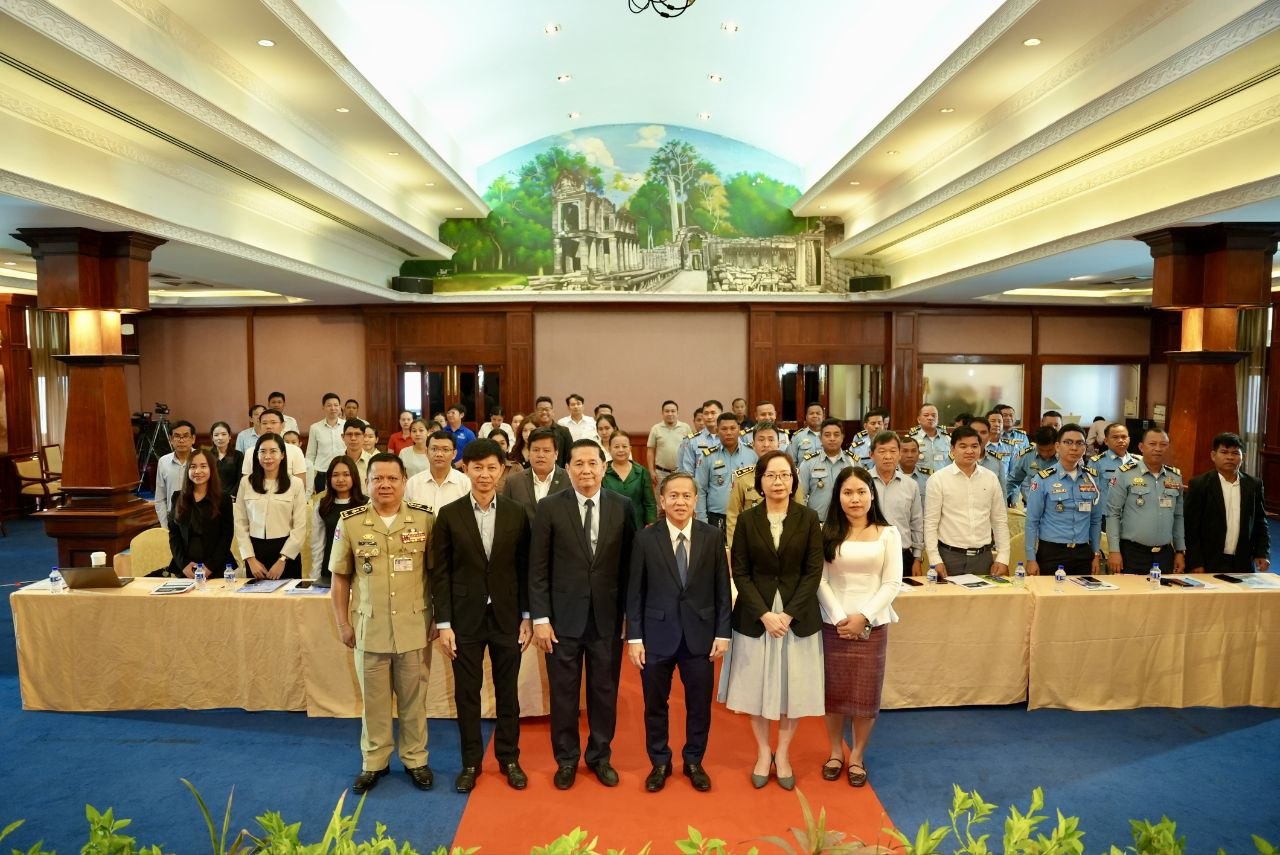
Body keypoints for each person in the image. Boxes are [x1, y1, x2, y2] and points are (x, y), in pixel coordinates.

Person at [529, 439, 637, 790]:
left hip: (607, 618)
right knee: (564, 693)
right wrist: (541, 618)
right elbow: (538, 568)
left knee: (604, 691)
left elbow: (630, 567)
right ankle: (566, 759)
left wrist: (630, 616)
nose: (586, 470)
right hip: (562, 620)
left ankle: (600, 756)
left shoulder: (623, 506)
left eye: (593, 463)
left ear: (604, 467)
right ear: (567, 468)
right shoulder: (549, 507)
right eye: (579, 464)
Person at [329, 453, 435, 794]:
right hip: (369, 628)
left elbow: (437, 574)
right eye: (378, 478)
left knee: (413, 702)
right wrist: (343, 624)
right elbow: (340, 578)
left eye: (392, 478)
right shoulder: (350, 522)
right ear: (367, 482)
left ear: (404, 481)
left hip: (414, 627)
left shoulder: (424, 520)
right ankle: (374, 762)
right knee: (373, 703)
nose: (385, 485)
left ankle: (416, 759)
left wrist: (438, 618)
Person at [432, 439, 533, 793]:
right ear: (466, 469)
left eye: (492, 467)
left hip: (508, 616)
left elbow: (524, 568)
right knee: (467, 694)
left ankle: (509, 758)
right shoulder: (449, 514)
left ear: (502, 469)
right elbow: (440, 573)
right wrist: (443, 624)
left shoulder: (517, 513)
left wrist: (526, 615)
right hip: (464, 620)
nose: (485, 475)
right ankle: (471, 762)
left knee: (508, 692)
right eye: (478, 468)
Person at [721, 450, 825, 791]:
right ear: (759, 482)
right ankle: (763, 752)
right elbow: (740, 572)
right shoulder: (747, 520)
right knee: (757, 688)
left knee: (792, 689)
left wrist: (788, 614)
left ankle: (783, 753)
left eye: (784, 475)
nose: (778, 481)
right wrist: (765, 614)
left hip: (797, 616)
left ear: (793, 481)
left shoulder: (808, 518)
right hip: (757, 616)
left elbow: (813, 572)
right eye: (771, 475)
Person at [626, 471, 731, 793]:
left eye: (687, 496)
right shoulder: (646, 538)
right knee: (655, 704)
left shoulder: (712, 536)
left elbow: (722, 589)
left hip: (700, 636)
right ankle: (659, 761)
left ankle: (694, 760)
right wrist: (634, 638)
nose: (680, 501)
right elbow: (635, 592)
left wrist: (723, 633)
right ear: (662, 500)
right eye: (673, 495)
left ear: (696, 500)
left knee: (699, 705)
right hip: (656, 637)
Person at [817, 466, 902, 788]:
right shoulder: (826, 532)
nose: (855, 499)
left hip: (873, 625)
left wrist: (863, 617)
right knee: (834, 694)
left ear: (872, 495)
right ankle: (835, 752)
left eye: (861, 492)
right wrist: (841, 617)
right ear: (838, 497)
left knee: (865, 695)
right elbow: (820, 580)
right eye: (848, 492)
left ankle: (857, 755)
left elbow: (892, 583)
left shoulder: (888, 533)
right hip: (833, 624)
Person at [923, 426, 1010, 579]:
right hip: (949, 557)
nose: (969, 451)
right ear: (952, 449)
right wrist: (935, 559)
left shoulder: (990, 478)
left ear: (980, 448)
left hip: (983, 557)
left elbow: (999, 521)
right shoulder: (938, 479)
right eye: (963, 446)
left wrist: (1003, 558)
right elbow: (930, 523)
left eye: (974, 446)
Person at [1023, 424, 1103, 576]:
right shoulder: (1042, 479)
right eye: (1068, 442)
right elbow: (1032, 522)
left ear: (1085, 448)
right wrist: (1031, 559)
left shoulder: (1092, 478)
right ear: (1058, 446)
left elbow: (1095, 520)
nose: (1074, 447)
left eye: (1079, 443)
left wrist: (1095, 554)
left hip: (1083, 552)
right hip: (1052, 552)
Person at [1185, 432, 1270, 573]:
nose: (1230, 457)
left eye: (1235, 453)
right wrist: (1195, 562)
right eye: (1224, 452)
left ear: (1243, 457)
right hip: (1207, 560)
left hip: (1242, 560)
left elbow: (1260, 521)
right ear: (1213, 455)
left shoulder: (1253, 485)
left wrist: (1262, 552)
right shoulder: (1199, 484)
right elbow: (1190, 528)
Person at [1106, 427, 1186, 575]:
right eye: (1152, 444)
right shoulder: (1124, 473)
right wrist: (1114, 550)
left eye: (1163, 444)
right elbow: (1113, 514)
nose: (1158, 449)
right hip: (1133, 553)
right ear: (1141, 447)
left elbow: (1178, 516)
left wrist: (1180, 551)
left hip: (1165, 554)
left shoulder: (1175, 477)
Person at [234, 432, 308, 579]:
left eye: (273, 451)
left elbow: (299, 526)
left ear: (282, 455)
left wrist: (283, 559)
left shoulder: (295, 484)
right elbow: (240, 523)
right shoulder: (246, 483)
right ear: (256, 455)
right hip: (255, 554)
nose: (267, 456)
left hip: (286, 554)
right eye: (262, 451)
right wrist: (251, 559)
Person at [726, 421, 805, 545]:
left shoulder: (790, 475)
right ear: (753, 444)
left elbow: (800, 513)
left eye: (771, 439)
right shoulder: (742, 478)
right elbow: (733, 516)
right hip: (752, 544)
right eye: (761, 440)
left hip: (786, 542)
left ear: (779, 443)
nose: (766, 444)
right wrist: (734, 548)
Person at [164, 447, 234, 578]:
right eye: (193, 467)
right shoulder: (177, 497)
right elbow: (174, 535)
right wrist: (183, 565)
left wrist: (209, 567)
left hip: (216, 568)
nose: (197, 471)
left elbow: (226, 536)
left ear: (211, 469)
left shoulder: (223, 499)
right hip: (186, 569)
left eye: (203, 466)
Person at [868, 431, 923, 576]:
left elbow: (916, 523)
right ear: (871, 454)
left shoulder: (911, 485)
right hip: (868, 554)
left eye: (893, 451)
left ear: (899, 455)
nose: (888, 456)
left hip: (902, 555)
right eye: (882, 451)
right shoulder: (862, 482)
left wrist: (917, 558)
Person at [695, 413, 758, 532]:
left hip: (746, 515)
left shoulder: (752, 454)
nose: (729, 432)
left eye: (733, 428)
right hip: (717, 517)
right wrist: (702, 520)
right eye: (724, 429)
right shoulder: (708, 457)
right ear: (717, 431)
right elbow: (700, 489)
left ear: (739, 429)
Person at [310, 455, 365, 585]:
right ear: (329, 478)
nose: (340, 479)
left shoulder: (366, 504)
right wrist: (316, 575)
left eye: (346, 474)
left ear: (354, 476)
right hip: (330, 569)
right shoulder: (322, 506)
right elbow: (318, 544)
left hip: (360, 570)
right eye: (335, 475)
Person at [502, 427, 570, 522]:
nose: (540, 455)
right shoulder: (513, 482)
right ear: (529, 453)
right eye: (536, 450)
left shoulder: (570, 480)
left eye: (546, 450)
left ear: (556, 454)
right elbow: (506, 518)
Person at [797, 417, 854, 520]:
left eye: (836, 435)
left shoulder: (853, 462)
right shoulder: (808, 463)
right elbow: (801, 497)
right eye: (827, 435)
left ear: (842, 437)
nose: (832, 438)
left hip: (847, 521)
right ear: (820, 438)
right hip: (817, 522)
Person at [240, 409, 309, 489]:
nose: (268, 426)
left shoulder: (295, 451)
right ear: (260, 425)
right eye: (264, 423)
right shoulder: (250, 452)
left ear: (282, 425)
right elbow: (246, 484)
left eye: (273, 422)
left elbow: (301, 485)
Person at [603, 430, 657, 529]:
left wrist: (651, 522)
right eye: (616, 447)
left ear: (630, 448)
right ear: (609, 449)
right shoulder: (602, 472)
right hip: (610, 526)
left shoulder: (642, 472)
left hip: (637, 526)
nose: (621, 450)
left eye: (624, 446)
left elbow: (649, 502)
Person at [406, 431, 471, 511]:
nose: (439, 454)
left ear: (454, 454)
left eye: (445, 450)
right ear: (426, 452)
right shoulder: (413, 483)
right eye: (434, 449)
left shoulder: (465, 483)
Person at [154, 419, 196, 526]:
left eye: (185, 436)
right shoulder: (163, 462)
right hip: (173, 519)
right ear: (171, 439)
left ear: (193, 439)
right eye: (177, 436)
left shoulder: (202, 459)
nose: (181, 440)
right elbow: (160, 498)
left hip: (197, 517)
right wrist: (165, 525)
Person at [306, 393, 348, 494]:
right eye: (329, 405)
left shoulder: (347, 425)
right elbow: (310, 455)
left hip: (343, 471)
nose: (333, 408)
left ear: (340, 407)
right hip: (321, 473)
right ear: (323, 408)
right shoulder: (315, 428)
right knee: (321, 501)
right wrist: (310, 479)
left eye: (336, 405)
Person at [1089, 422, 1135, 512]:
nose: (1120, 440)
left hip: (1131, 514)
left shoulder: (1138, 461)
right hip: (1106, 514)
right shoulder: (1097, 462)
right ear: (1106, 441)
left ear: (1129, 439)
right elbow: (1090, 492)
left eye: (1124, 437)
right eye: (1115, 437)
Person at [1006, 427, 1058, 505]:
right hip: (1035, 505)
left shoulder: (1065, 457)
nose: (1045, 454)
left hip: (1059, 506)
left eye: (1049, 450)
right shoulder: (1028, 456)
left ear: (1057, 445)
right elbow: (1012, 481)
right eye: (1041, 450)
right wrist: (998, 498)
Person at [647, 400, 690, 482]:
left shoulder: (686, 428)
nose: (670, 414)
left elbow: (691, 449)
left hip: (681, 472)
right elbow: (650, 451)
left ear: (677, 413)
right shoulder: (655, 429)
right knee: (661, 491)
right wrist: (651, 471)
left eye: (673, 411)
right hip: (661, 473)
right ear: (662, 413)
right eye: (667, 411)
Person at [966, 415, 1008, 497]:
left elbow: (1002, 493)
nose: (978, 436)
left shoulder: (996, 462)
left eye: (983, 432)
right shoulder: (955, 460)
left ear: (989, 436)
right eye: (974, 432)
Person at [678, 399, 723, 473]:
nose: (709, 417)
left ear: (721, 414)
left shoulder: (730, 438)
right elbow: (687, 471)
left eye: (713, 413)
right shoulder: (692, 440)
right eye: (706, 413)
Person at [532, 396, 574, 467]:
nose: (544, 412)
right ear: (535, 412)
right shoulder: (532, 431)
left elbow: (570, 456)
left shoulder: (564, 431)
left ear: (552, 411)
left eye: (547, 409)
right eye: (540, 410)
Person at [908, 403, 950, 471]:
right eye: (926, 415)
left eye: (934, 415)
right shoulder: (911, 439)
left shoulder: (947, 438)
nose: (930, 418)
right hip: (920, 477)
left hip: (943, 477)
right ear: (919, 419)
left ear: (938, 418)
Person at [209, 420, 243, 498]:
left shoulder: (238, 455)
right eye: (216, 435)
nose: (220, 438)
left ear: (229, 436)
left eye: (224, 434)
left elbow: (241, 478)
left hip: (233, 497)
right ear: (212, 438)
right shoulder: (207, 455)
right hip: (212, 497)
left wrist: (232, 495)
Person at [897, 436, 931, 504]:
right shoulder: (890, 475)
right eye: (905, 451)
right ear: (897, 453)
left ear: (919, 453)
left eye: (913, 451)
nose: (909, 455)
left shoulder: (928, 477)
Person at [338, 419, 372, 483]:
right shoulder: (336, 462)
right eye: (349, 434)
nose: (353, 438)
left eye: (357, 434)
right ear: (343, 437)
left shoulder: (372, 462)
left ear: (364, 437)